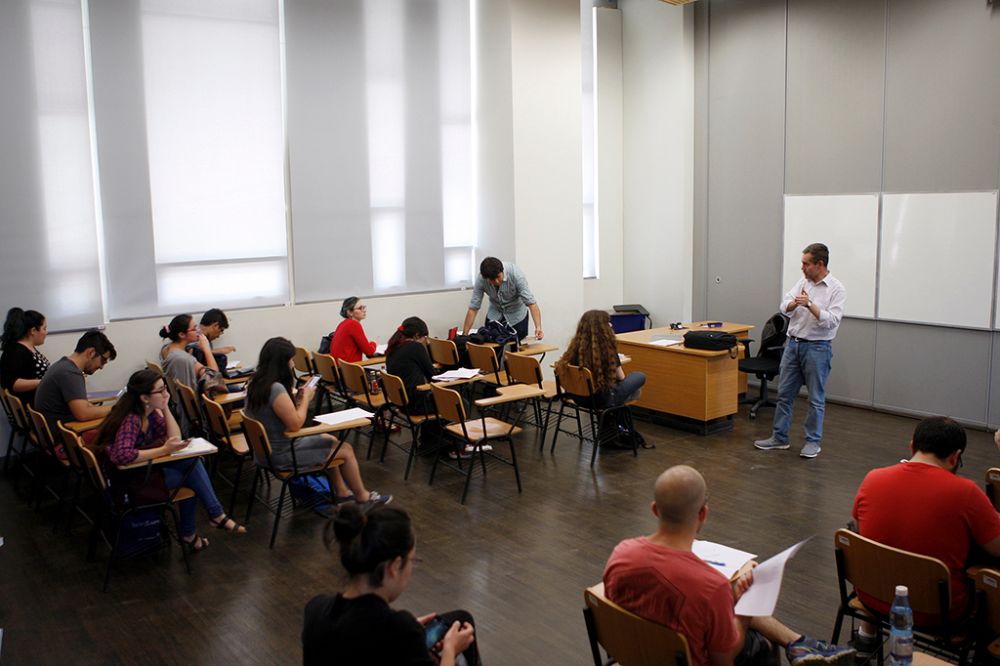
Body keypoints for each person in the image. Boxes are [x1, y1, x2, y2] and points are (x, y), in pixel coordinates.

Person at [604, 465, 855, 666]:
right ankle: (797, 643)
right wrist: (743, 611)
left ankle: (799, 642)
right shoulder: (710, 588)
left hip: (634, 655)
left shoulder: (621, 554)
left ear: (654, 510)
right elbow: (724, 659)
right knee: (760, 646)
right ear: (703, 514)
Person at [851, 416, 1000, 645]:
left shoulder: (873, 478)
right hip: (936, 613)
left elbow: (862, 532)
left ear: (912, 445)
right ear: (956, 456)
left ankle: (865, 637)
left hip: (872, 596)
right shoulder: (966, 493)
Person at [302, 504, 480, 666]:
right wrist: (450, 649)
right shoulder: (398, 628)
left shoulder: (315, 609)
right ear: (394, 566)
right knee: (459, 633)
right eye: (411, 560)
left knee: (460, 617)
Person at [94, 369, 246, 551]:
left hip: (141, 472)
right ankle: (204, 523)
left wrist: (165, 407)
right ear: (144, 398)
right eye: (160, 391)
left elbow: (175, 439)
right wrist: (163, 450)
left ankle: (210, 520)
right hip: (128, 482)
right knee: (192, 474)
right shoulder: (132, 419)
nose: (166, 394)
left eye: (165, 389)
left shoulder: (149, 413)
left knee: (192, 466)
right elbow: (123, 456)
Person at [244, 337, 390, 508]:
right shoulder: (275, 388)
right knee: (346, 450)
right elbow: (296, 424)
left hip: (265, 453)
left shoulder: (256, 382)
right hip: (281, 454)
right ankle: (363, 498)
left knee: (329, 439)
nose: (292, 364)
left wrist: (297, 401)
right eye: (290, 360)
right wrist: (306, 399)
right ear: (281, 363)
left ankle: (342, 492)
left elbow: (279, 414)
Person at [754, 243, 846, 459]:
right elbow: (783, 307)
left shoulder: (836, 289)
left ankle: (813, 442)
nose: (802, 267)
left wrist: (810, 305)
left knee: (815, 398)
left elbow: (831, 322)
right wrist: (795, 304)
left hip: (818, 348)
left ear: (819, 264)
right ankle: (779, 438)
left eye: (806, 264)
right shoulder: (802, 283)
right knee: (784, 394)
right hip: (793, 345)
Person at [555, 309, 645, 409]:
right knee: (639, 376)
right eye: (607, 322)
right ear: (602, 328)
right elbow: (621, 377)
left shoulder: (574, 348)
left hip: (577, 398)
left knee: (621, 386)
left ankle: (612, 415)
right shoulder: (608, 349)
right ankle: (614, 414)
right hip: (601, 401)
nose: (610, 325)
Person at [35, 329, 117, 439]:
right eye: (103, 361)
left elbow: (84, 405)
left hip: (51, 431)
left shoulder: (62, 365)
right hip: (63, 438)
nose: (102, 367)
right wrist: (118, 408)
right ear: (91, 352)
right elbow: (83, 414)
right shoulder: (70, 373)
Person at [462, 257, 542, 342]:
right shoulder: (481, 279)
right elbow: (473, 308)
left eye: (498, 277)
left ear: (502, 271)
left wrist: (538, 327)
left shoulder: (516, 274)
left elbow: (531, 303)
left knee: (515, 350)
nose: (496, 281)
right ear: (486, 278)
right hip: (495, 314)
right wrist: (464, 335)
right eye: (492, 279)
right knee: (491, 348)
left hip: (517, 316)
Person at [384, 317, 435, 415]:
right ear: (417, 335)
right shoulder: (416, 347)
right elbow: (432, 376)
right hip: (417, 405)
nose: (426, 341)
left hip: (401, 403)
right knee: (461, 403)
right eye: (425, 337)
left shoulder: (393, 347)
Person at [0, 307, 50, 407]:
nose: (46, 332)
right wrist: (46, 381)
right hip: (32, 407)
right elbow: (12, 384)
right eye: (44, 328)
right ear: (33, 331)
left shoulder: (29, 349)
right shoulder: (16, 351)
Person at [159, 314, 221, 392]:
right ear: (181, 334)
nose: (198, 331)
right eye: (194, 329)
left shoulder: (165, 349)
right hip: (201, 401)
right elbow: (214, 379)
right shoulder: (185, 359)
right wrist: (206, 348)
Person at [329, 296, 378, 363]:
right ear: (350, 312)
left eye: (364, 307)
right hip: (349, 370)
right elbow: (369, 352)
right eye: (360, 308)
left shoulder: (343, 323)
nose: (364, 310)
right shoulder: (354, 325)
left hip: (340, 369)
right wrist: (374, 343)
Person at [190, 308, 235, 373]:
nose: (219, 336)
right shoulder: (193, 337)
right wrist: (218, 351)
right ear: (215, 325)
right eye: (221, 330)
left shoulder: (207, 340)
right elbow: (195, 355)